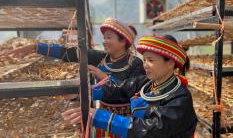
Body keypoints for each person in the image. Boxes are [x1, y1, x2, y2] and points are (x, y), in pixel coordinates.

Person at [3, 18, 146, 137]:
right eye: (104, 37)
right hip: (100, 115)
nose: (104, 41)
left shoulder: (135, 63)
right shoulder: (101, 58)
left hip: (123, 120)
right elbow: (69, 53)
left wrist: (105, 78)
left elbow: (134, 94)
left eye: (109, 37)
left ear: (123, 41)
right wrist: (35, 47)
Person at [87, 35, 197, 138]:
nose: (145, 65)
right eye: (144, 60)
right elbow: (121, 88)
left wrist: (104, 118)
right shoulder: (147, 82)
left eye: (151, 60)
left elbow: (148, 129)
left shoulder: (181, 99)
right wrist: (87, 92)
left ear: (170, 63)